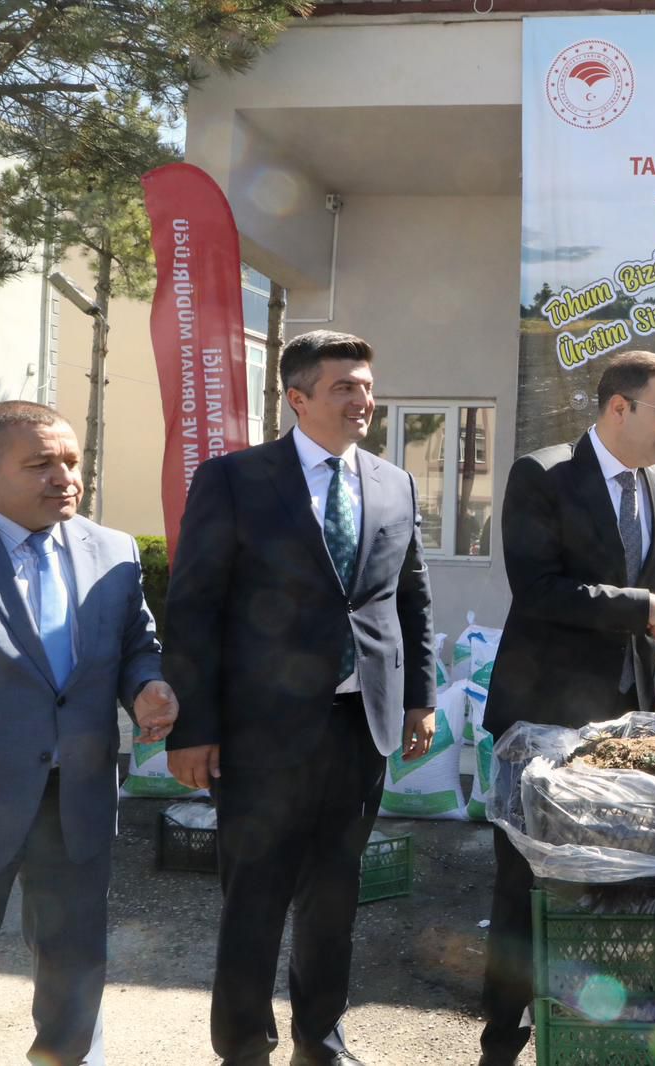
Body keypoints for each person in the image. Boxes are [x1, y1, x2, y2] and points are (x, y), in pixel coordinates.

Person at [163, 330, 437, 1066]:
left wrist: (419, 696)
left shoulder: (393, 483)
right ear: (297, 397)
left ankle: (321, 1040)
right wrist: (193, 727)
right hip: (261, 731)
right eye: (344, 387)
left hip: (360, 725)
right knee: (255, 897)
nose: (362, 400)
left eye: (367, 387)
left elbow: (410, 599)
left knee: (335, 897)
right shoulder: (235, 479)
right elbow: (193, 607)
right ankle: (244, 1045)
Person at [478, 349, 655, 1066]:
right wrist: (647, 607)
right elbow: (540, 590)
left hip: (626, 721)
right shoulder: (544, 474)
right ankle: (502, 1039)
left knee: (614, 877)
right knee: (525, 880)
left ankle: (591, 1033)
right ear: (619, 407)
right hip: (543, 717)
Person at [0, 401, 176, 1065]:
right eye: (40, 464)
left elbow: (136, 646)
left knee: (74, 957)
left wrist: (147, 685)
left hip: (77, 787)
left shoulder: (113, 551)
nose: (64, 477)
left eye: (70, 462)